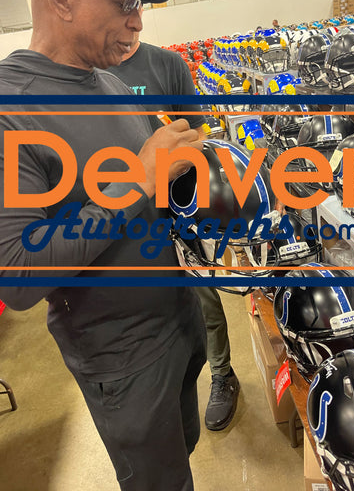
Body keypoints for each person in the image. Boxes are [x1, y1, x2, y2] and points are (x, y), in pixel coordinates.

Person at [0, 0, 207, 491]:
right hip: (121, 358)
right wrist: (139, 180)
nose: (137, 21)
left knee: (182, 457)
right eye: (125, 3)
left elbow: (148, 194)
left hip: (178, 322)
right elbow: (15, 275)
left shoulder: (111, 84)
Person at [108, 32, 241, 431]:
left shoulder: (166, 64)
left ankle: (222, 373)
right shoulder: (91, 72)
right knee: (142, 308)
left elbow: (199, 133)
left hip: (177, 208)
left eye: (136, 6)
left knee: (203, 299)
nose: (131, 19)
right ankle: (161, 389)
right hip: (121, 215)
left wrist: (173, 165)